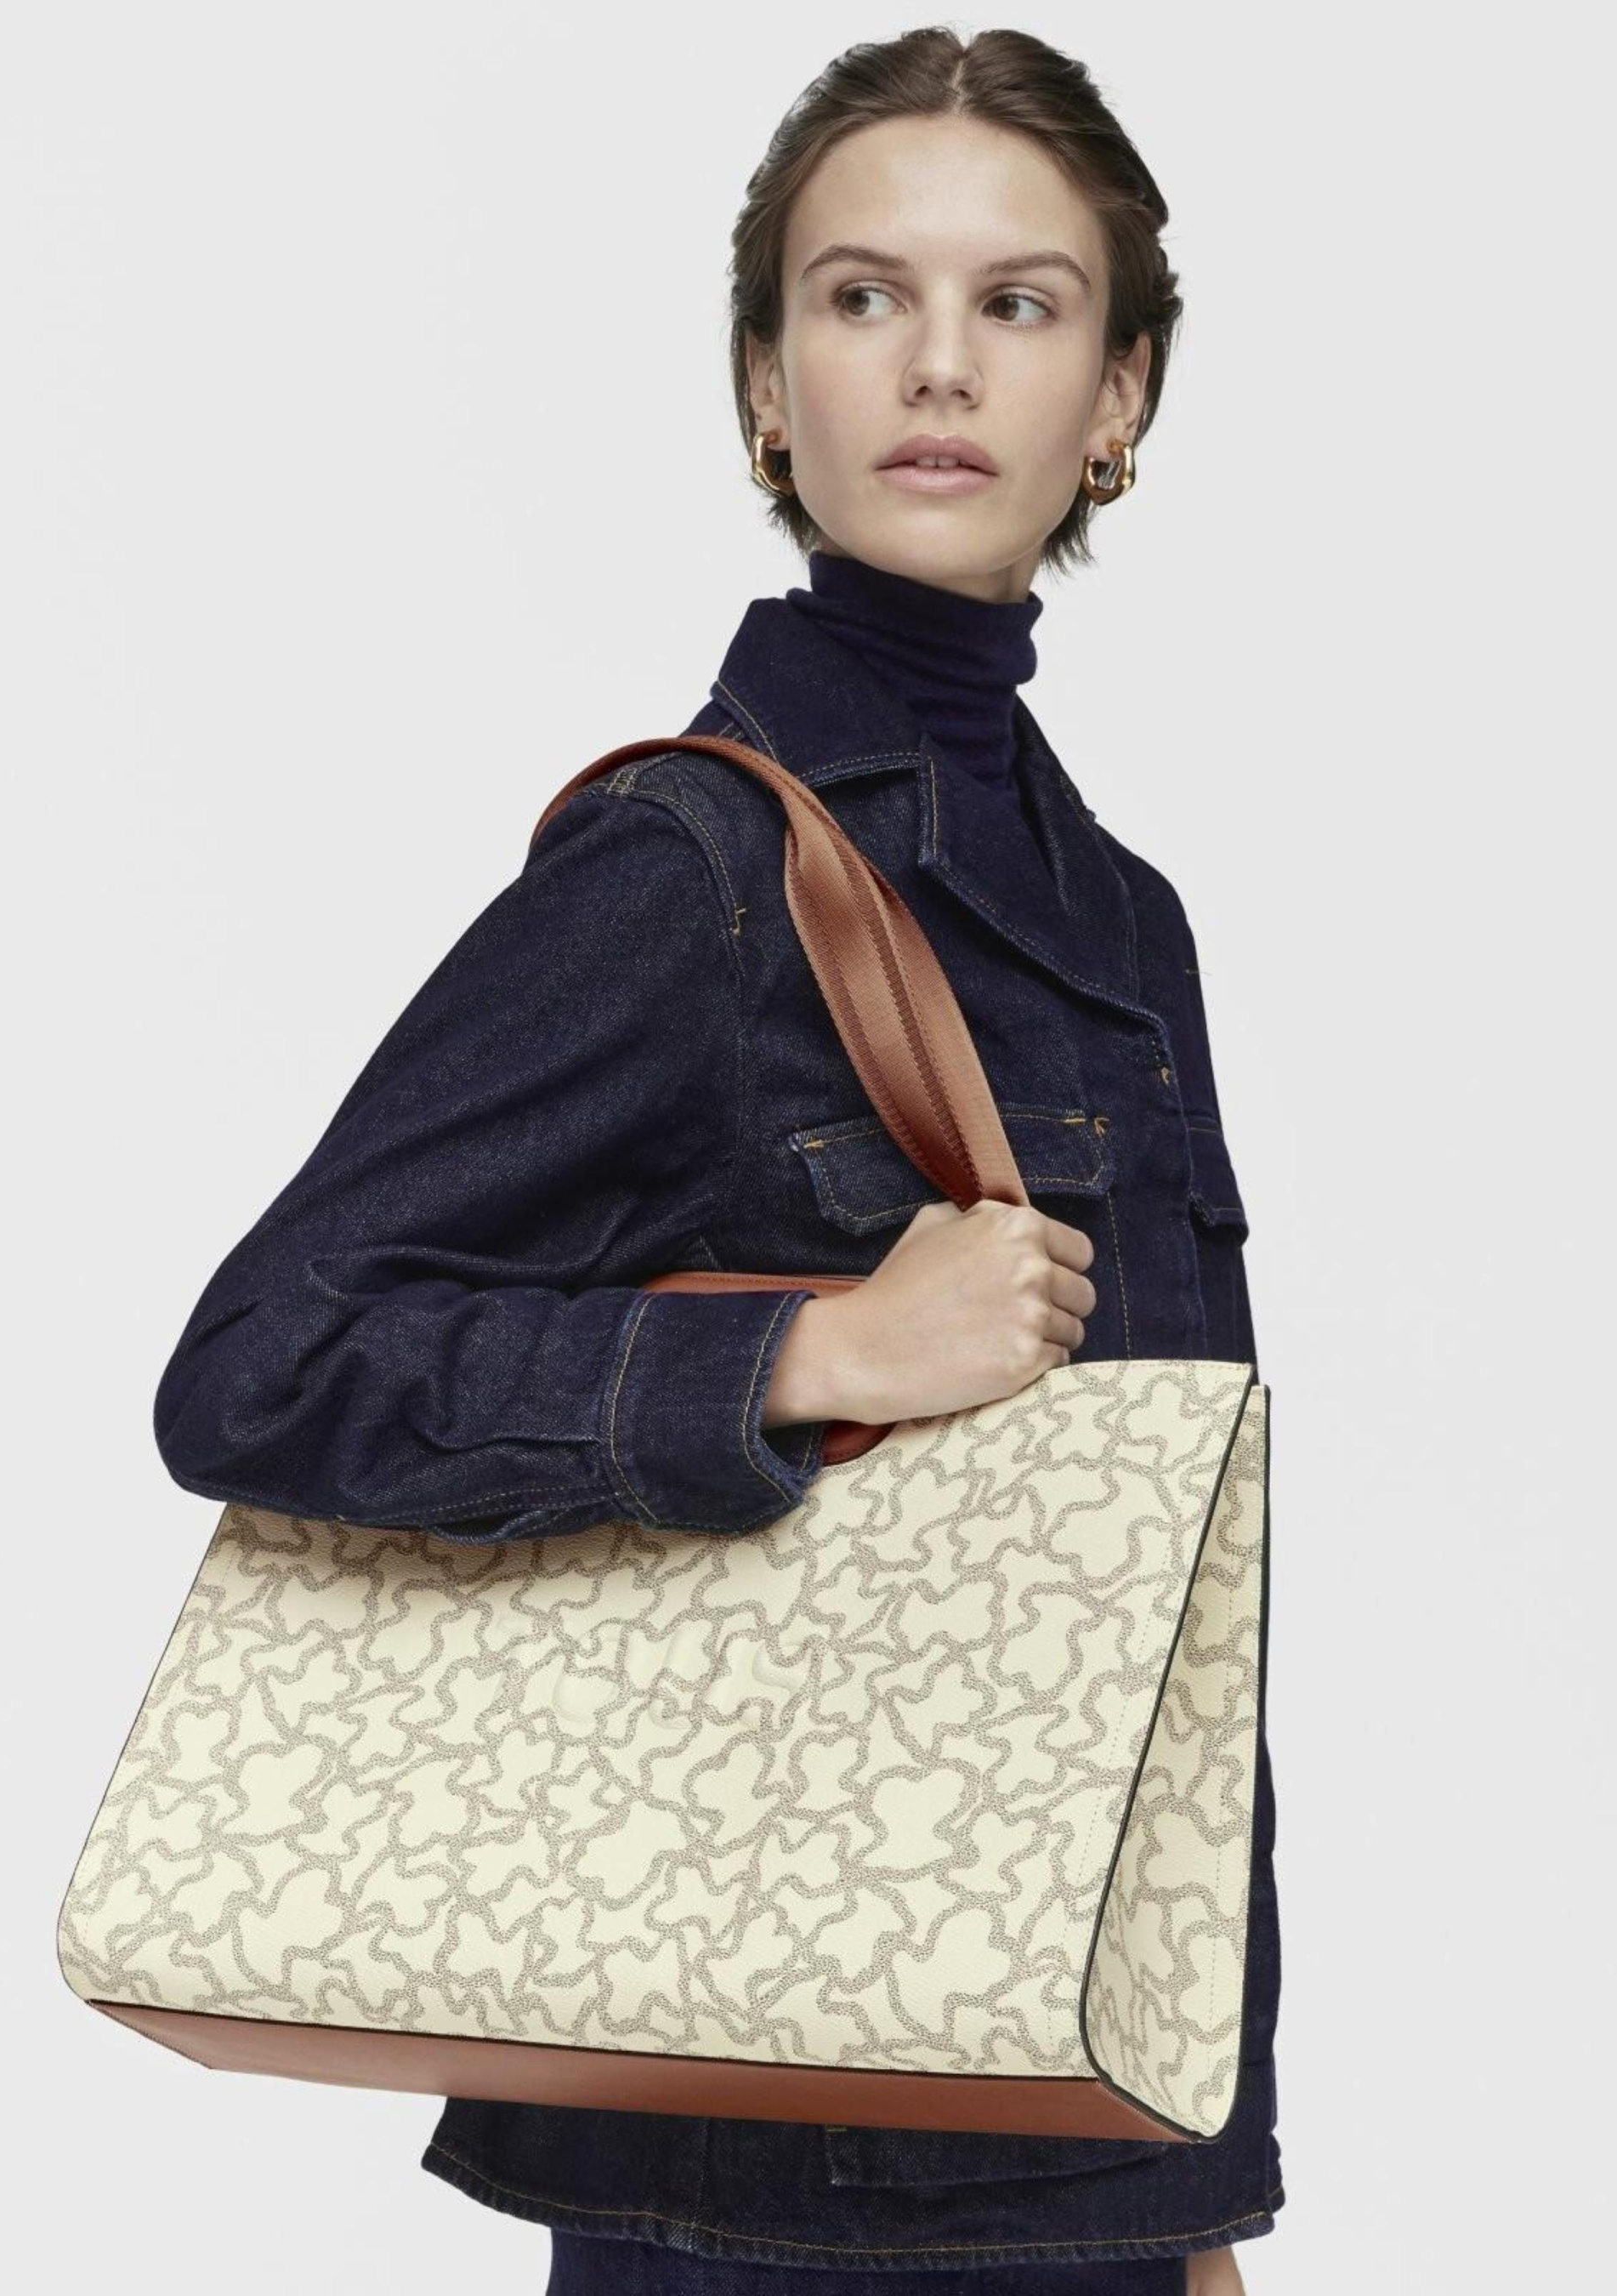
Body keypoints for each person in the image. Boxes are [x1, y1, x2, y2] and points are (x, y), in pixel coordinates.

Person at [152, 25, 1281, 2293]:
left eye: (1020, 302)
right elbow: (262, 1367)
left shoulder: (1120, 914)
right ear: (768, 385)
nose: (939, 362)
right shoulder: (690, 869)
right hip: (769, 2154)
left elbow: (1176, 1628)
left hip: (1067, 2125)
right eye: (862, 296)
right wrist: (806, 1354)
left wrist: (1197, 2180)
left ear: (1121, 394)